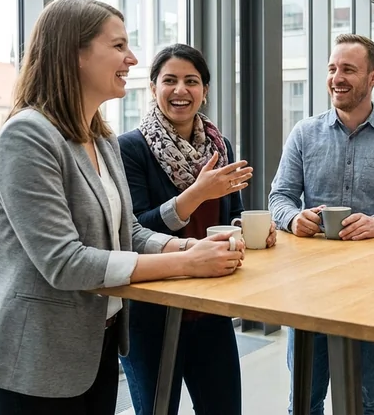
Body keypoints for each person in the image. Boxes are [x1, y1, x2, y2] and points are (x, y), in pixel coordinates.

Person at [0, 0, 245, 415]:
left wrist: (186, 248)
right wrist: (187, 264)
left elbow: (129, 233)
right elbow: (64, 262)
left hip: (96, 346)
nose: (132, 58)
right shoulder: (26, 136)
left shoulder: (99, 138)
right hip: (35, 360)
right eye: (118, 46)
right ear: (75, 54)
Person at [269, 33, 374, 415]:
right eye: (332, 68)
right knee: (304, 399)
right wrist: (295, 218)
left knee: (367, 399)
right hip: (309, 287)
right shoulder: (304, 134)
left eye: (348, 70)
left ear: (373, 77)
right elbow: (279, 199)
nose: (337, 77)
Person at [118, 43, 276, 415]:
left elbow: (230, 213)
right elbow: (136, 231)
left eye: (191, 81)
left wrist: (249, 232)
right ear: (153, 88)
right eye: (169, 80)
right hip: (151, 313)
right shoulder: (129, 148)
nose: (180, 90)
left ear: (204, 91)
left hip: (211, 309)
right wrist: (195, 194)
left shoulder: (220, 146)